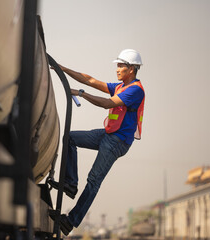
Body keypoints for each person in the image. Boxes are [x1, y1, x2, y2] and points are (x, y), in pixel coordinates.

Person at [49, 49, 145, 235]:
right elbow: (90, 80)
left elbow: (106, 104)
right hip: (109, 134)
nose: (117, 69)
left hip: (118, 141)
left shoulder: (135, 90)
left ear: (132, 69)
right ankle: (70, 183)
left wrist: (81, 94)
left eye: (121, 65)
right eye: (117, 65)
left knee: (94, 180)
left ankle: (70, 222)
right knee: (70, 138)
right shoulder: (121, 86)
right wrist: (61, 68)